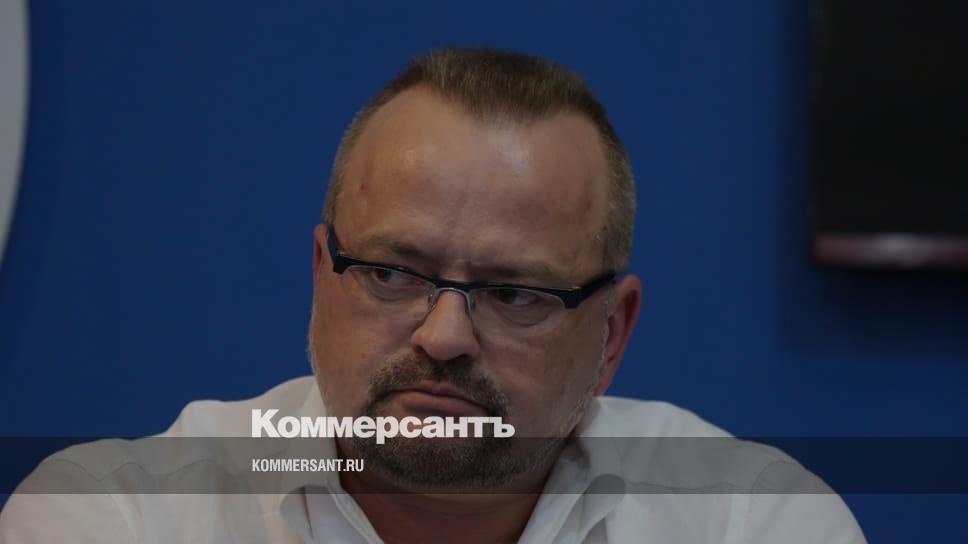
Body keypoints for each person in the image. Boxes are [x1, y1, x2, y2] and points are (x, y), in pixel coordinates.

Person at [0, 47, 865, 543]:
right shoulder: (125, 517)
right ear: (321, 277)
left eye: (515, 293)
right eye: (391, 273)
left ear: (612, 334)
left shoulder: (748, 521)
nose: (444, 336)